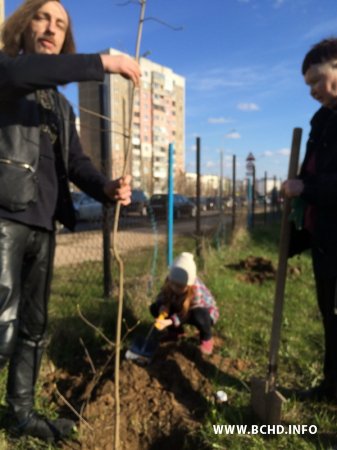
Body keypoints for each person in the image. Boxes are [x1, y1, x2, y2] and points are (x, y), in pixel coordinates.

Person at [0, 0, 141, 442]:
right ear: (23, 25)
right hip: (4, 217)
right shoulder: (8, 71)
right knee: (0, 330)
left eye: (60, 24)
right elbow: (20, 74)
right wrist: (105, 62)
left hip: (45, 224)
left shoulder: (61, 107)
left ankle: (20, 416)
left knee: (34, 329)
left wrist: (107, 188)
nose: (51, 29)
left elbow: (77, 163)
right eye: (42, 18)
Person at [283, 37, 337, 402]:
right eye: (308, 85)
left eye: (318, 79)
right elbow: (314, 186)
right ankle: (332, 389)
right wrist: (299, 236)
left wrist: (303, 185)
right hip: (326, 241)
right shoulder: (322, 123)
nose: (313, 90)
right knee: (330, 317)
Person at [150, 252, 219, 355]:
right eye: (172, 284)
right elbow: (162, 295)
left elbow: (187, 314)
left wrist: (169, 321)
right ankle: (175, 333)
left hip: (201, 312)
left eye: (180, 287)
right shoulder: (169, 282)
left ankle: (206, 338)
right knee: (155, 307)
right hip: (181, 309)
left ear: (189, 285)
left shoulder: (196, 290)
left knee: (199, 315)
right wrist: (162, 306)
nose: (175, 288)